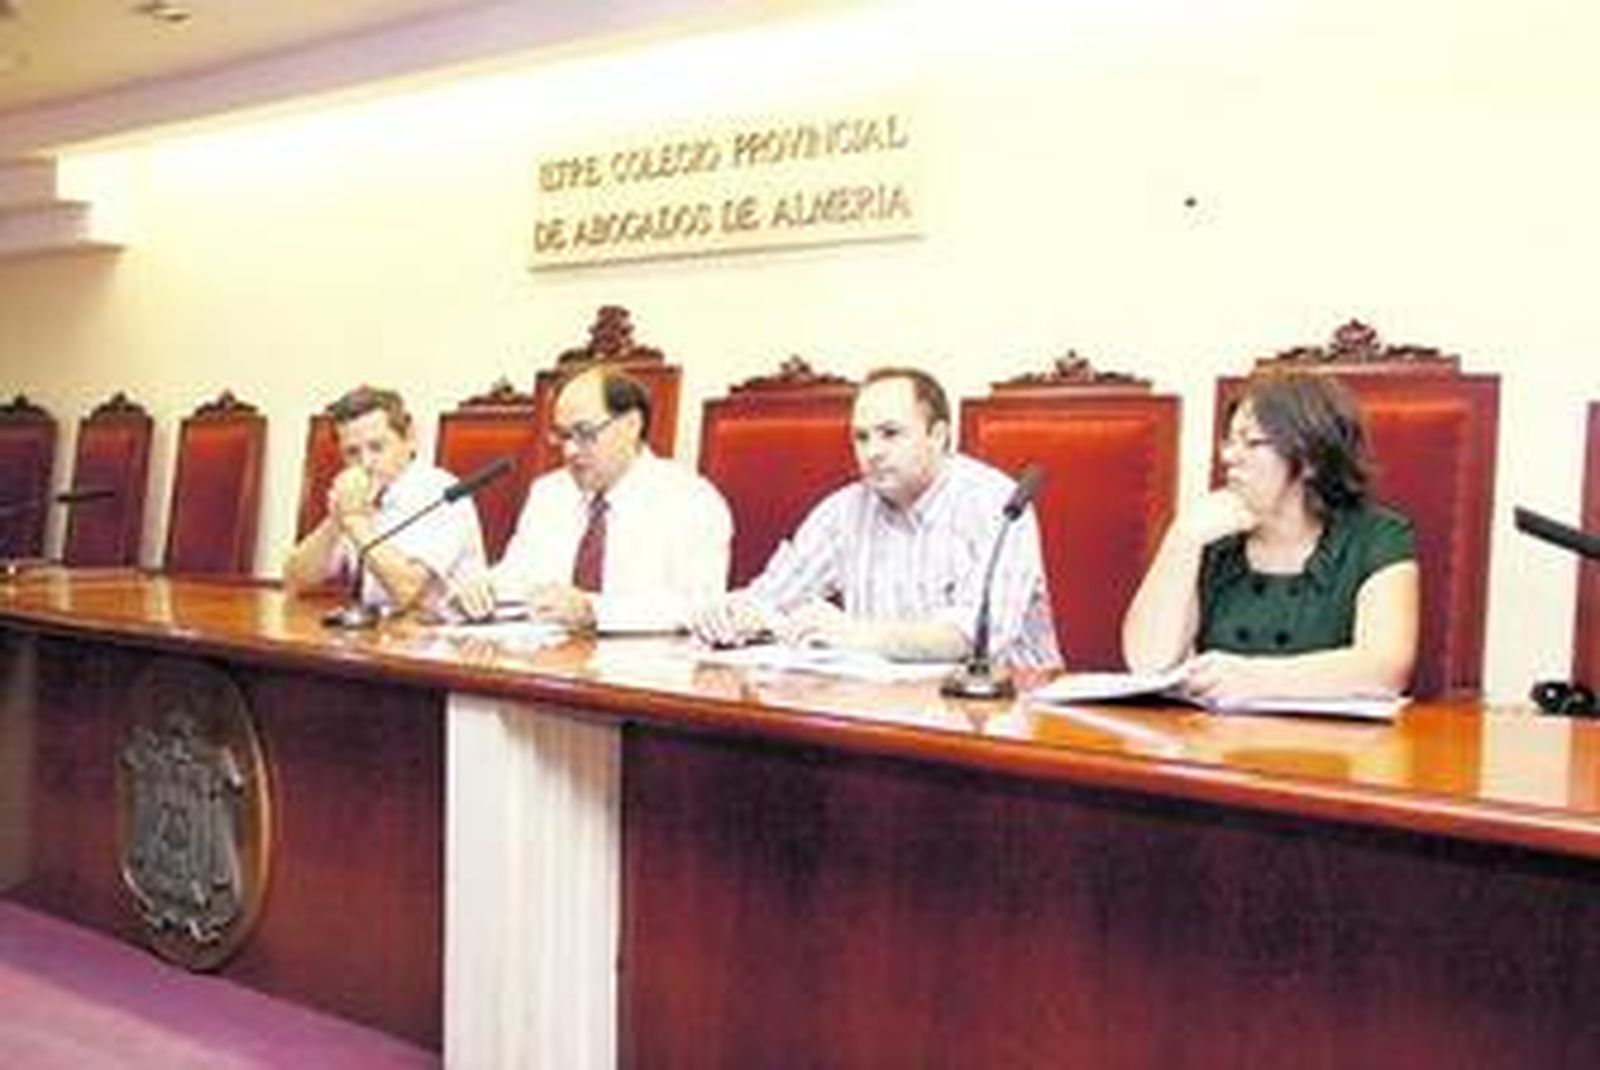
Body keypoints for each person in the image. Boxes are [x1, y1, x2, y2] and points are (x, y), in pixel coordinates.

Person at [691, 367, 1061, 667]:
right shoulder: (844, 509)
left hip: (1003, 710)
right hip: (880, 709)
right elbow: (773, 597)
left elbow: (976, 637)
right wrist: (734, 613)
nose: (873, 452)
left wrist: (854, 634)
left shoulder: (997, 505)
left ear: (938, 435)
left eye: (890, 434)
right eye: (861, 437)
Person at [1121, 371, 1419, 702]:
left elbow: (1384, 669)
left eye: (1252, 443)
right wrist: (1182, 539)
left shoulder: (1377, 537)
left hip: (1333, 735)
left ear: (1311, 459)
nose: (1228, 457)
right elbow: (1148, 663)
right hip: (1218, 733)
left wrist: (1252, 677)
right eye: (1229, 441)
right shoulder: (1214, 537)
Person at [454, 365, 732, 631]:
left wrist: (594, 611)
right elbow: (517, 576)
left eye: (585, 433)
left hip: (644, 661)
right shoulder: (549, 493)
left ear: (631, 425)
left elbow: (699, 605)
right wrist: (484, 590)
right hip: (548, 656)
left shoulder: (691, 500)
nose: (570, 450)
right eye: (563, 435)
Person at [284, 385, 487, 614]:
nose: (366, 463)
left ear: (409, 438)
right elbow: (296, 580)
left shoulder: (443, 492)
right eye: (352, 453)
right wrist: (336, 521)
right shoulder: (358, 496)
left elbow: (407, 591)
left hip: (440, 632)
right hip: (376, 630)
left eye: (377, 447)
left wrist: (354, 520)